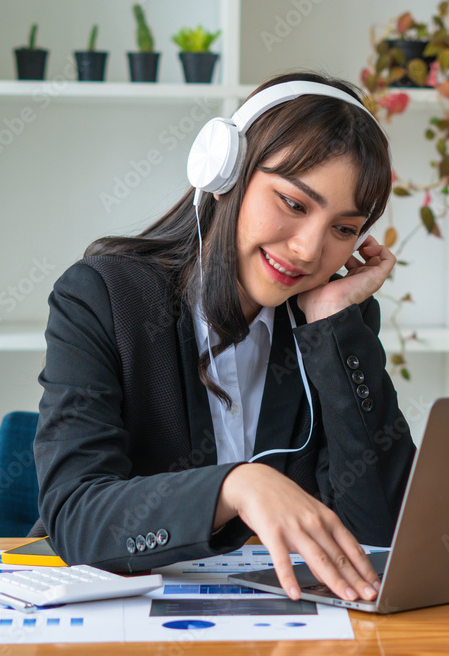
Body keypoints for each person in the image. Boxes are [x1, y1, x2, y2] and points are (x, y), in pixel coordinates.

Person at [30, 71, 417, 604]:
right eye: (294, 203)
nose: (309, 250)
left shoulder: (329, 324)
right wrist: (235, 485)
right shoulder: (103, 299)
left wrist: (331, 324)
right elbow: (76, 518)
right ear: (224, 173)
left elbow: (383, 534)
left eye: (343, 229)